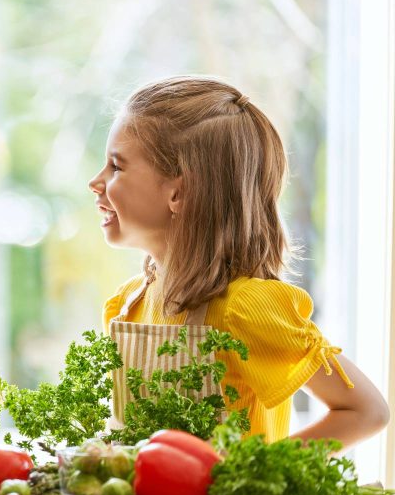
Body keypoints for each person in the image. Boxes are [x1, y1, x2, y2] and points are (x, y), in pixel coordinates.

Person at [89, 75, 389, 447]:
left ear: (178, 192)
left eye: (116, 167)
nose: (95, 182)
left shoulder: (246, 308)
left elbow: (366, 411)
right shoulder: (127, 305)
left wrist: (258, 475)